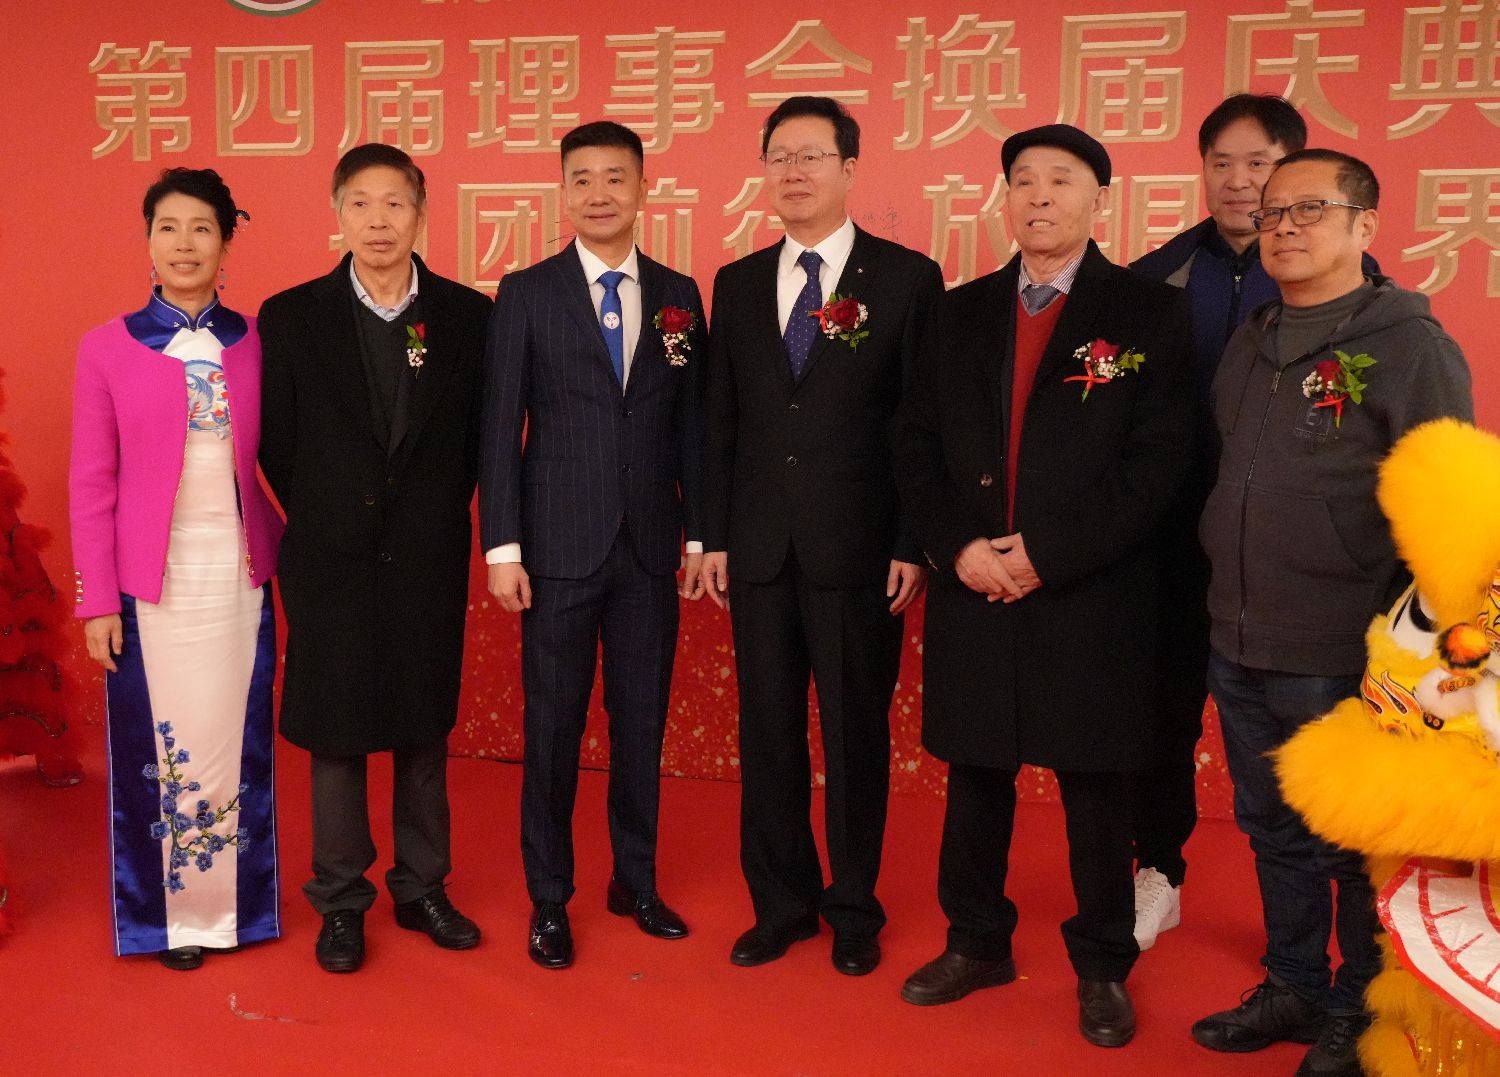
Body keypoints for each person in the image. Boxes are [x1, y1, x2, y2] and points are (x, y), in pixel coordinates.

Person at [891, 125, 1194, 1047]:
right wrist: (960, 547)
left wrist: (1047, 554)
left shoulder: (1148, 313)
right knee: (976, 773)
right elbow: (915, 443)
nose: (1039, 197)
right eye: (1022, 181)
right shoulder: (958, 311)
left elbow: (1159, 464)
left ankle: (1103, 963)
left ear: (1100, 198)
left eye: (1061, 181)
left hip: (1089, 591)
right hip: (976, 581)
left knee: (1096, 788)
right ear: (1005, 199)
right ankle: (976, 940)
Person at [1191, 148, 1472, 1077]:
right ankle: (1294, 982)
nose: (1285, 227)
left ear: (1365, 225)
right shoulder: (1253, 338)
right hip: (1237, 632)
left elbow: (1443, 506)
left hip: (1343, 646)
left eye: (1310, 209)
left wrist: (1424, 658)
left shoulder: (1410, 345)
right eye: (1272, 212)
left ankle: (1356, 1004)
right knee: (1269, 825)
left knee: (1349, 840)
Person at [702, 96, 943, 977]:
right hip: (759, 548)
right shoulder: (735, 283)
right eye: (780, 157)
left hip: (861, 551)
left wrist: (912, 541)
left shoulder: (906, 279)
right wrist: (710, 535)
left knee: (853, 734)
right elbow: (719, 420)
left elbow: (922, 424)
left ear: (849, 168)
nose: (794, 172)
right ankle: (780, 903)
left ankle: (852, 906)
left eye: (811, 156)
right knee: (767, 733)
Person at [258, 144, 492, 974]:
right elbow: (276, 441)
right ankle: (340, 896)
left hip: (427, 552)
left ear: (421, 213)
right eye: (360, 203)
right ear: (337, 214)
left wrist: (425, 513)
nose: (378, 220)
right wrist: (336, 510)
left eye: (395, 203)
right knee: (337, 725)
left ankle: (422, 884)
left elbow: (478, 440)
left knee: (423, 722)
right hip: (331, 555)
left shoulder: (467, 317)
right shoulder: (292, 316)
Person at [479, 120, 706, 970]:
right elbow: (500, 426)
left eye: (616, 177)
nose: (600, 193)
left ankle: (635, 880)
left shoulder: (680, 293)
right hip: (555, 548)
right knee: (554, 726)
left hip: (649, 546)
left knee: (640, 722)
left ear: (644, 188)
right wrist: (502, 547)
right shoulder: (526, 292)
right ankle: (550, 895)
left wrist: (700, 534)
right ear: (563, 193)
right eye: (583, 179)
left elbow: (695, 424)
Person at [70, 167, 282, 971]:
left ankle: (239, 909)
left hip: (238, 574)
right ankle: (170, 918)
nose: (184, 244)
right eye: (168, 227)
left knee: (234, 739)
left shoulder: (259, 339)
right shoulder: (107, 347)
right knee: (163, 747)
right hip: (149, 583)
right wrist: (97, 599)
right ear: (148, 240)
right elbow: (91, 481)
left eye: (202, 228)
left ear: (227, 242)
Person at [1125, 93, 1310, 950]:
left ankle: (1301, 923)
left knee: (1282, 736)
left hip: (1280, 556)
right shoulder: (1155, 274)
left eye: (1258, 164)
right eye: (1221, 163)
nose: (1238, 181)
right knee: (1159, 715)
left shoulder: (1331, 277)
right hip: (1166, 545)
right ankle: (1158, 872)